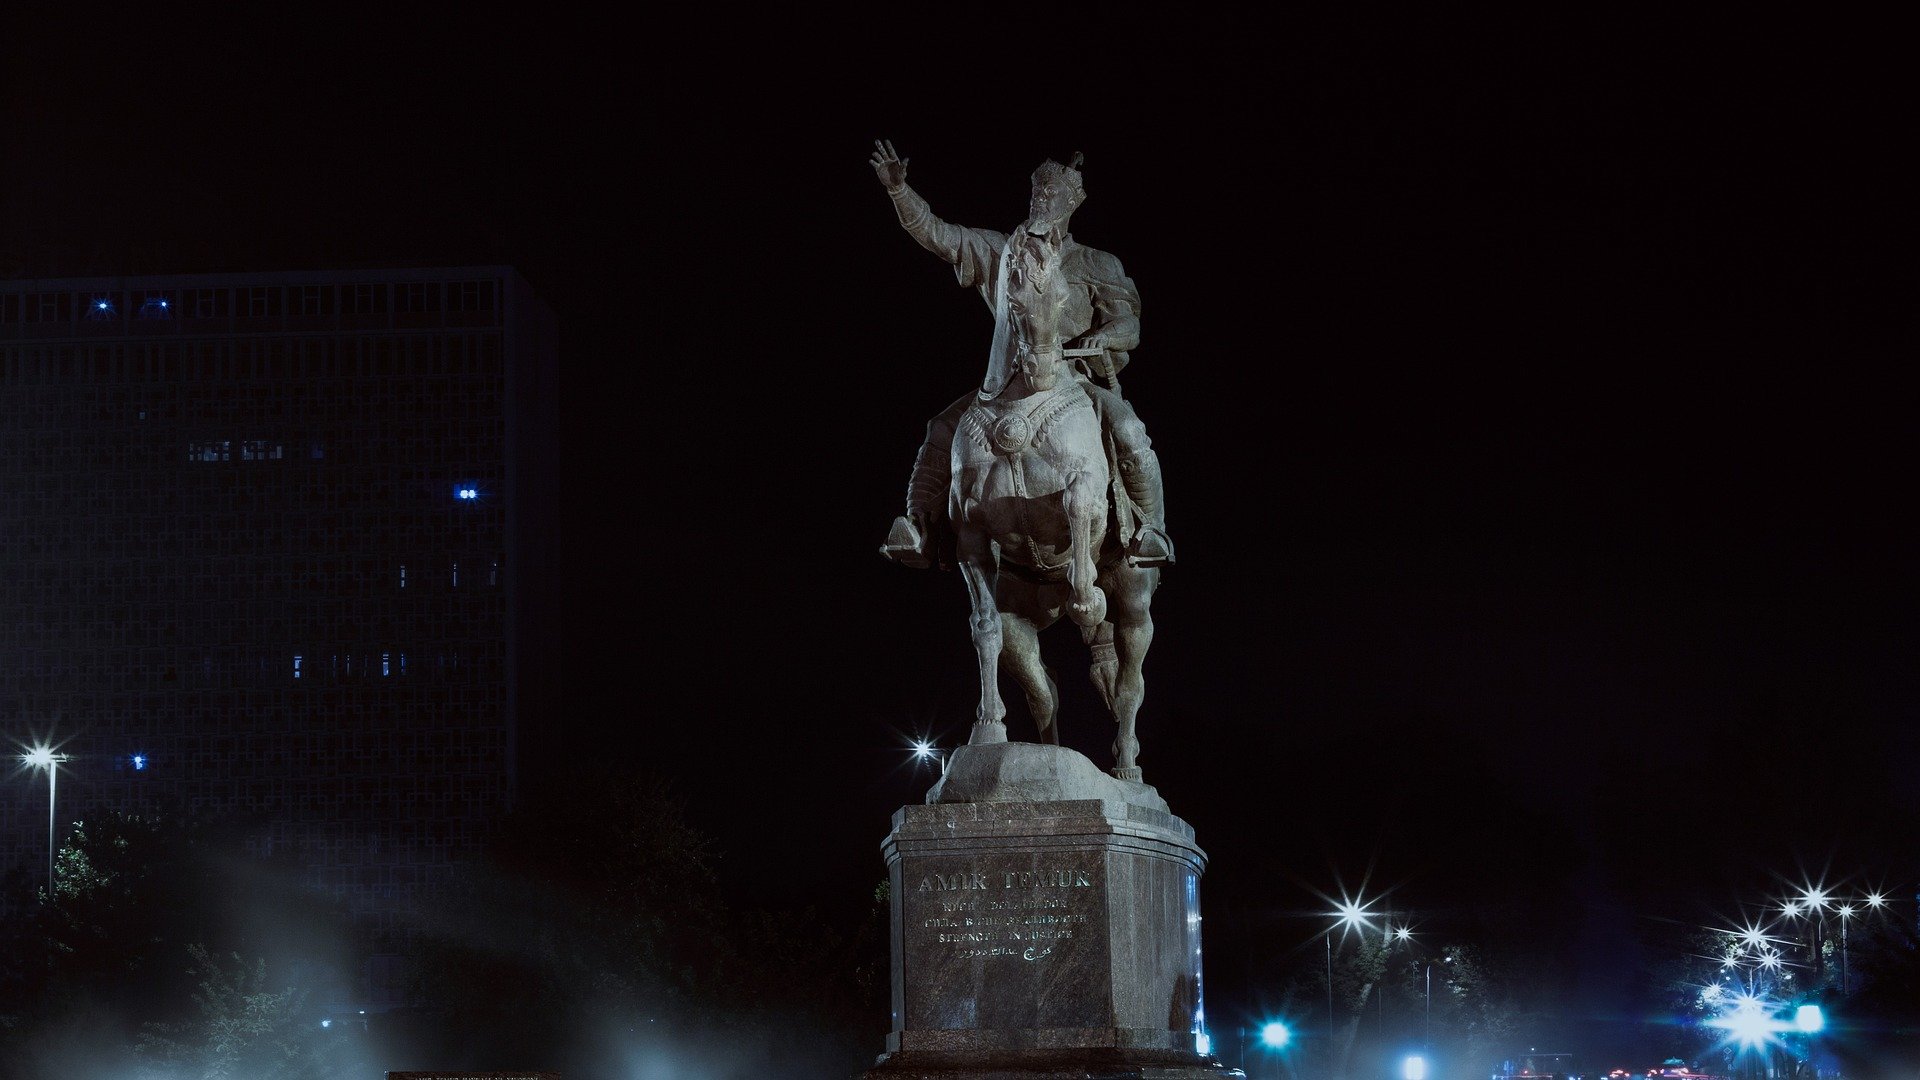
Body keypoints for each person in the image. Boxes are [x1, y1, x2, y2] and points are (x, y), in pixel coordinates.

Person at [871, 139, 1174, 571]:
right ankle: (921, 527)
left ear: (1073, 202)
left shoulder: (1096, 263)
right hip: (1004, 382)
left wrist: (1103, 335)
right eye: (1037, 192)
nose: (1041, 199)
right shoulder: (1002, 252)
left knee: (1128, 428)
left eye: (1051, 194)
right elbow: (940, 235)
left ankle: (1151, 529)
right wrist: (899, 190)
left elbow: (1130, 324)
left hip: (1073, 379)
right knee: (941, 428)